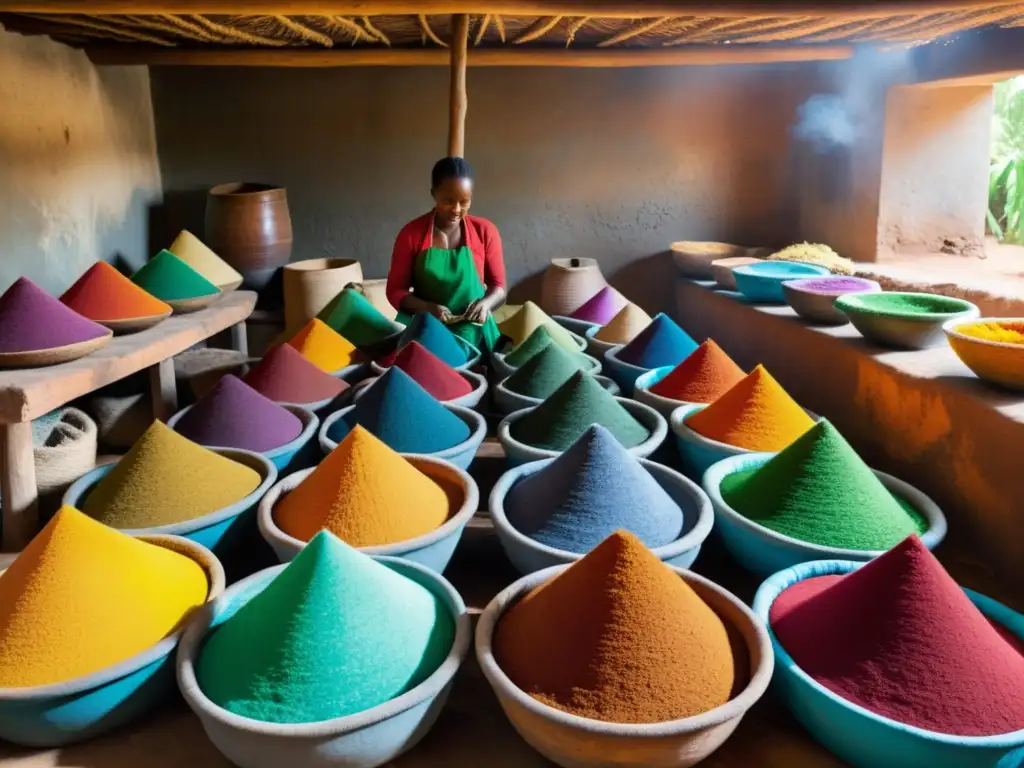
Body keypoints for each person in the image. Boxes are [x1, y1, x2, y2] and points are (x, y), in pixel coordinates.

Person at [386, 157, 505, 352]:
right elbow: (395, 291)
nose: (457, 210)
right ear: (434, 194)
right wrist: (427, 308)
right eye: (448, 201)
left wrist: (486, 304)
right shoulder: (411, 234)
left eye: (464, 201)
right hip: (426, 325)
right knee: (423, 366)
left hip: (473, 328)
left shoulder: (485, 231)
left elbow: (499, 287)